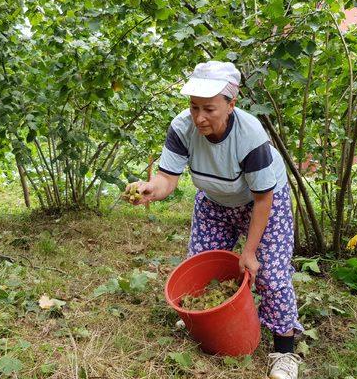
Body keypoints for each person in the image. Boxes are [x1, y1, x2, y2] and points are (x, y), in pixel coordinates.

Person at [125, 61, 303, 379]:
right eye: (194, 107)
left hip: (260, 202)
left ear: (231, 104)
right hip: (214, 200)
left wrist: (248, 252)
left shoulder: (250, 137)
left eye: (209, 109)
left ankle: (284, 350)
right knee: (201, 265)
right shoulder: (182, 127)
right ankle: (207, 319)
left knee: (270, 275)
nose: (199, 117)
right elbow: (168, 178)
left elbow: (264, 199)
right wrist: (153, 188)